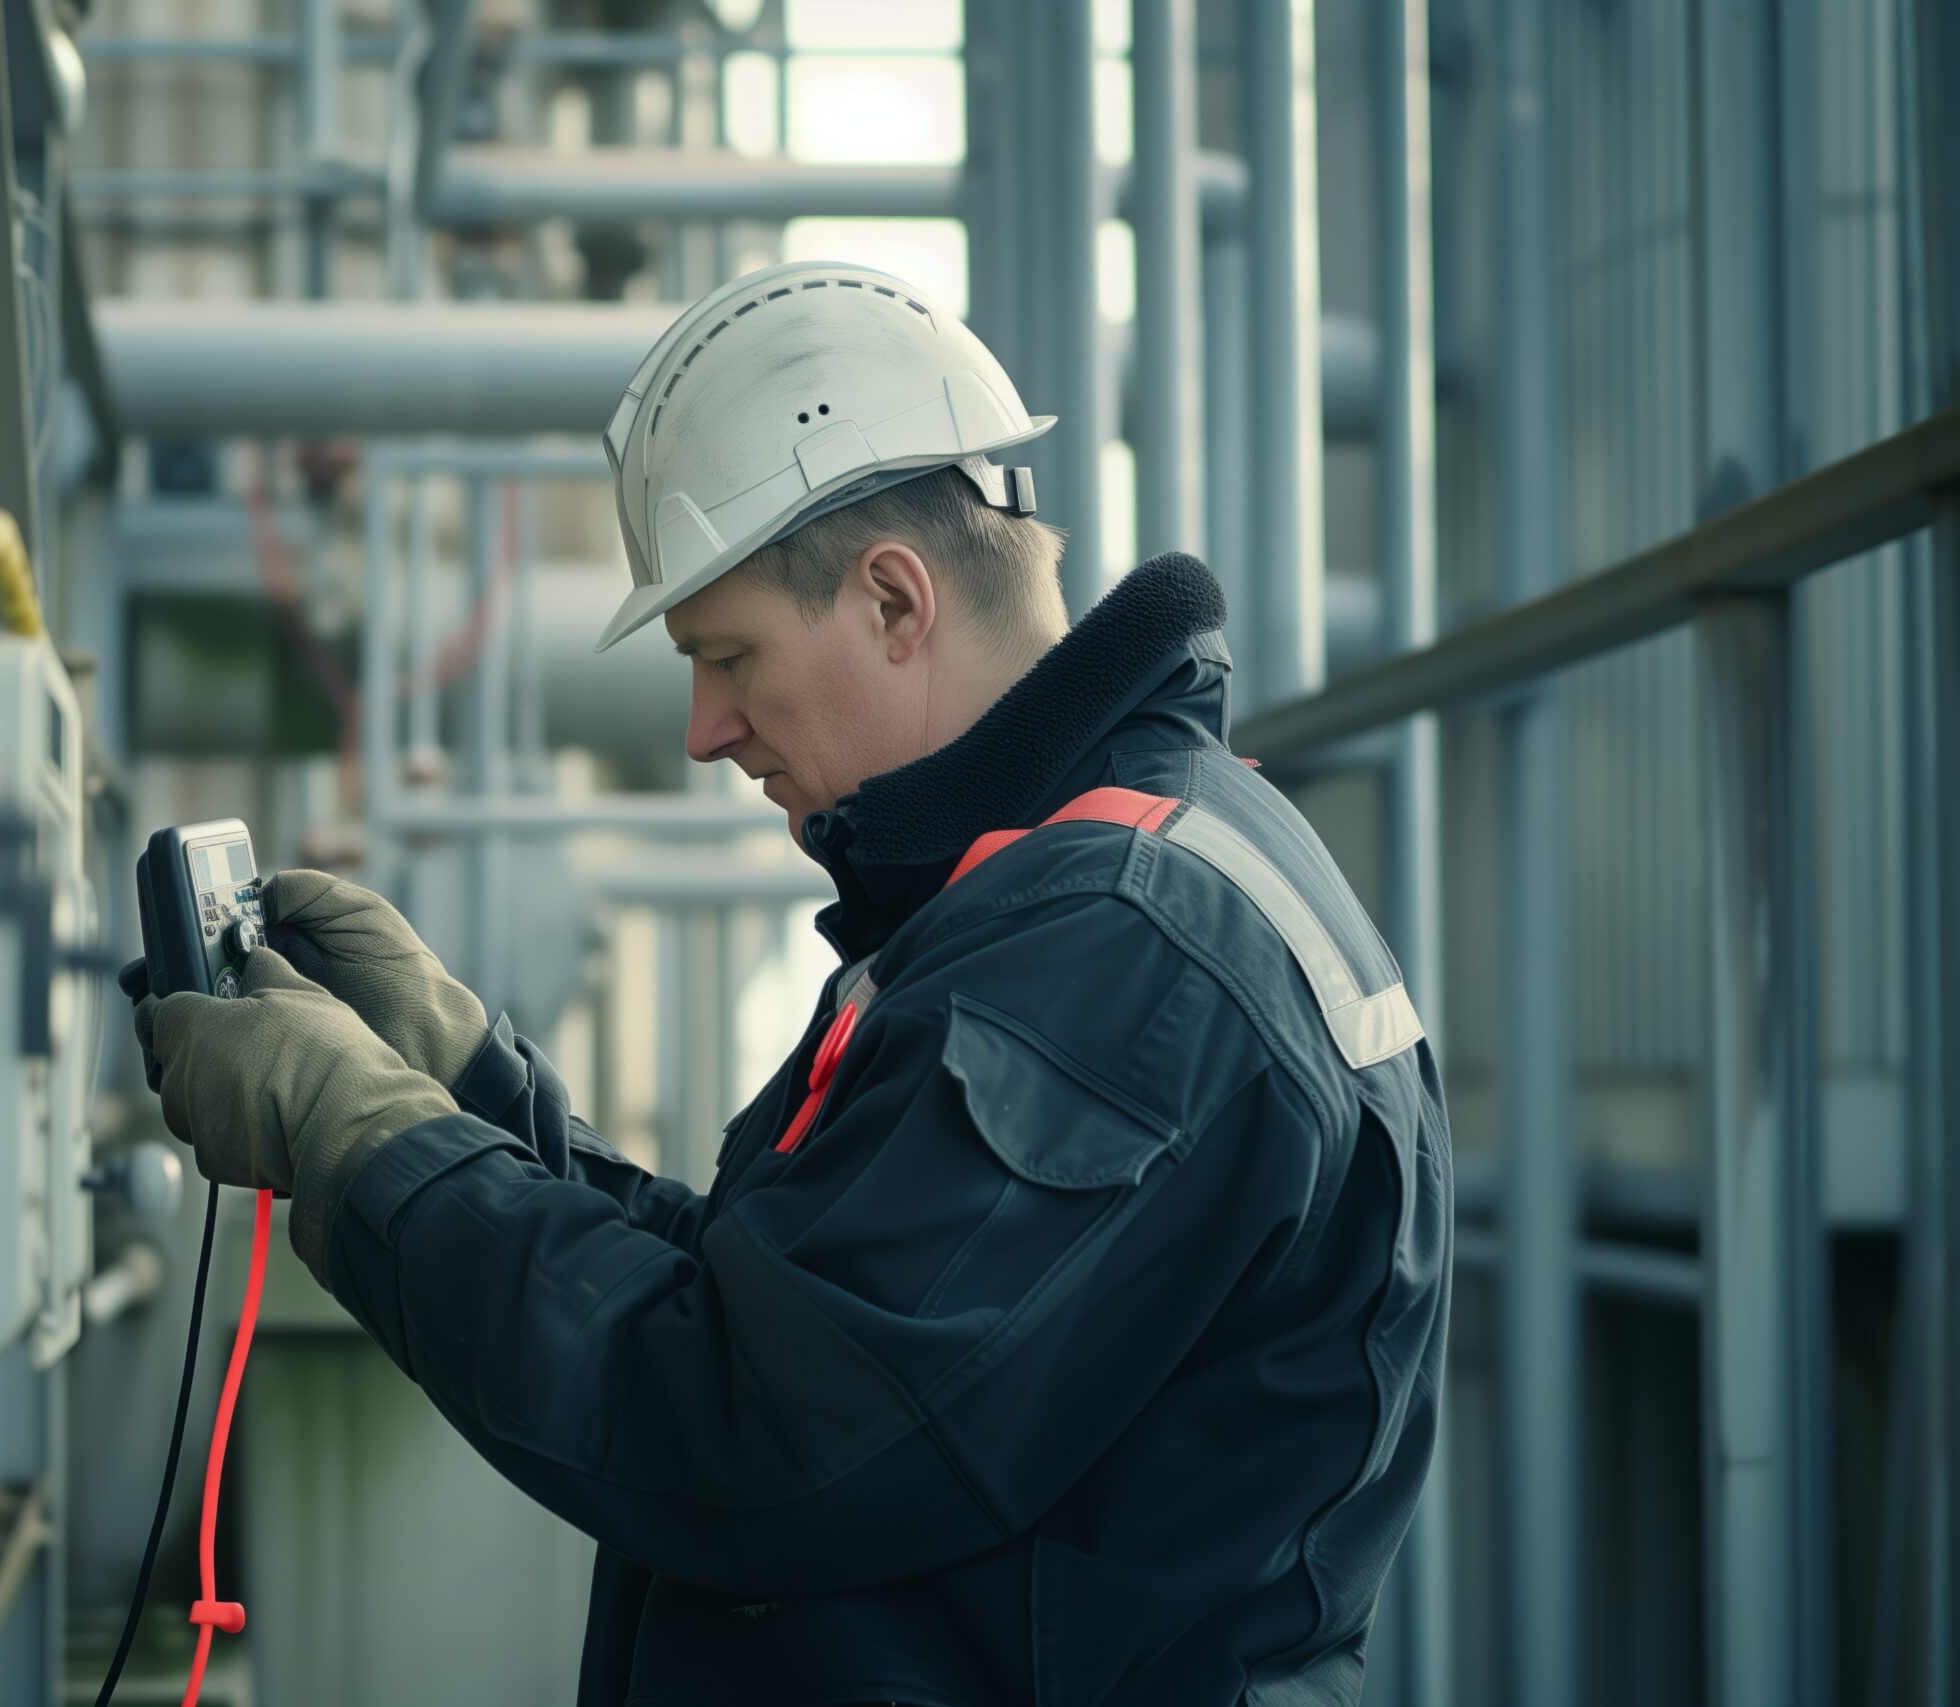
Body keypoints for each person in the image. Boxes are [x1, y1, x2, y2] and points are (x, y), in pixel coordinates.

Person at [123, 261, 1452, 1706]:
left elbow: (755, 1432)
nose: (705, 729)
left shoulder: (1121, 947)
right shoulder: (1042, 895)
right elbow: (781, 1314)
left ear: (893, 600)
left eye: (729, 655)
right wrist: (463, 1089)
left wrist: (359, 1142)